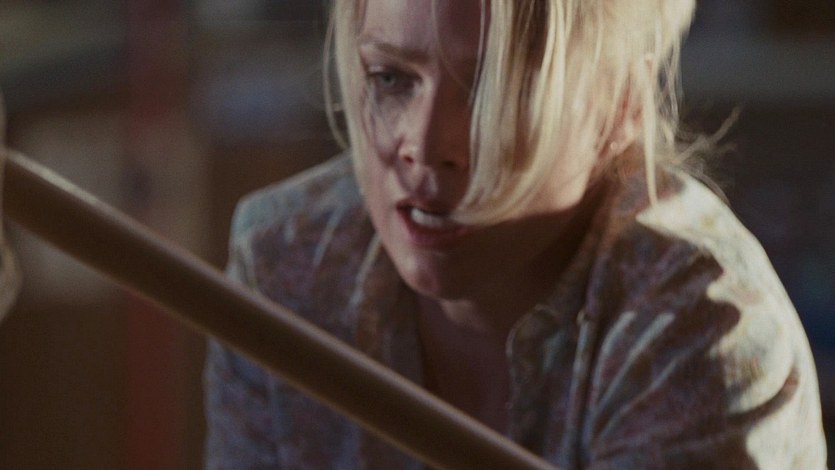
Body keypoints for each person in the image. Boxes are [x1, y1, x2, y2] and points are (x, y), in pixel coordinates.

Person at [204, 0, 828, 467]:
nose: (426, 146)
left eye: (493, 91)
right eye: (390, 78)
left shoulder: (698, 327)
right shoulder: (286, 266)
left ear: (620, 108)